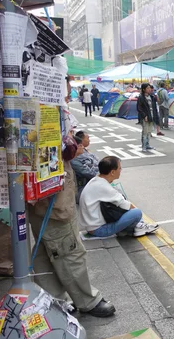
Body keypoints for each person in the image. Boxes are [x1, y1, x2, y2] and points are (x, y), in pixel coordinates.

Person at [27, 134, 116, 317]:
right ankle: (86, 300)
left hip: (39, 192)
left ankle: (56, 299)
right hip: (50, 192)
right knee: (68, 248)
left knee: (45, 249)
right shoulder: (45, 114)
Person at [79, 156, 158, 238]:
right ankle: (139, 226)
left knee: (128, 211)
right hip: (99, 229)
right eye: (119, 168)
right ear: (112, 172)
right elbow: (127, 205)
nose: (121, 170)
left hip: (92, 227)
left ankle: (137, 226)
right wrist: (137, 217)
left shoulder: (96, 180)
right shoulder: (103, 187)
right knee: (137, 213)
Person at [71, 131, 99, 203]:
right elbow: (89, 173)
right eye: (88, 138)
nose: (82, 147)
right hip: (83, 189)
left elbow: (97, 162)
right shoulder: (74, 160)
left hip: (91, 184)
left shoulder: (86, 151)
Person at [137, 83, 155, 151]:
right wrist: (144, 116)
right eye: (147, 88)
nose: (149, 89)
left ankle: (147, 144)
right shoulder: (141, 97)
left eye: (149, 88)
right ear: (144, 89)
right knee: (145, 131)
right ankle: (144, 146)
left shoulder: (151, 97)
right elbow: (139, 108)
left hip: (151, 116)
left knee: (149, 131)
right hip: (145, 117)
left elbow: (154, 107)